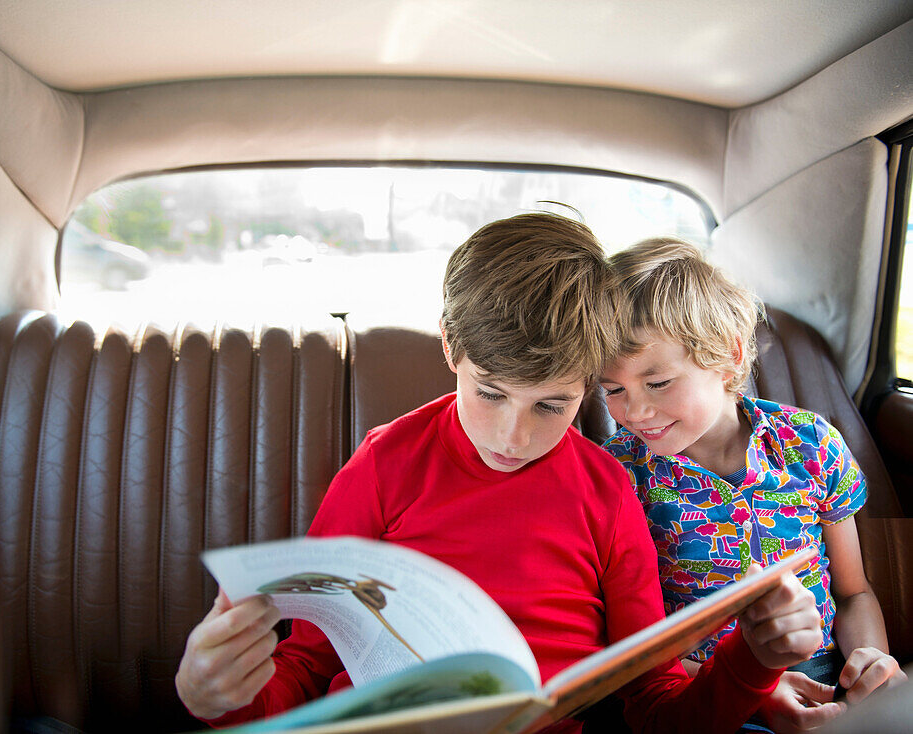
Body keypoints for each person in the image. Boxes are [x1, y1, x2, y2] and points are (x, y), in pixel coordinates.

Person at [175, 213, 825, 733]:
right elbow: (308, 663)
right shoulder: (385, 463)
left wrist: (752, 663)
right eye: (489, 393)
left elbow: (654, 705)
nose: (514, 438)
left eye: (552, 405)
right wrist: (222, 695)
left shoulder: (606, 491)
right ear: (451, 348)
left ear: (589, 388)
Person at [599, 237, 908, 732]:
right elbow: (636, 646)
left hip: (825, 675)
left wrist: (871, 665)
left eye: (657, 384)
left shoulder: (809, 444)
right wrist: (753, 690)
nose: (633, 412)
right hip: (703, 687)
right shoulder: (619, 475)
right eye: (613, 390)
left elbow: (853, 594)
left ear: (728, 357)